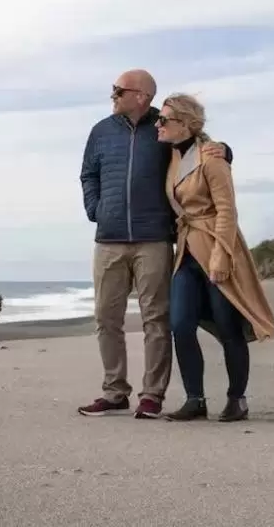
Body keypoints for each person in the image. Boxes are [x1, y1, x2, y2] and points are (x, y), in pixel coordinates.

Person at [77, 69, 230, 419]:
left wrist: (225, 150)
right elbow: (88, 173)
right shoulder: (100, 131)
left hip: (155, 239)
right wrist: (95, 208)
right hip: (109, 238)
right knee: (106, 318)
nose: (113, 96)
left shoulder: (163, 126)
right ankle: (114, 392)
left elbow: (198, 149)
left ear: (141, 96)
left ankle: (152, 395)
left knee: (155, 320)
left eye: (118, 91)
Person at [155, 93, 274, 422]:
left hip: (215, 247)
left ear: (187, 124)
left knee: (227, 327)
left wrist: (222, 256)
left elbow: (227, 210)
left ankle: (237, 399)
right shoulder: (173, 157)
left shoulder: (211, 156)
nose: (159, 124)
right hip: (187, 253)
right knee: (180, 324)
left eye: (164, 119)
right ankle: (195, 399)